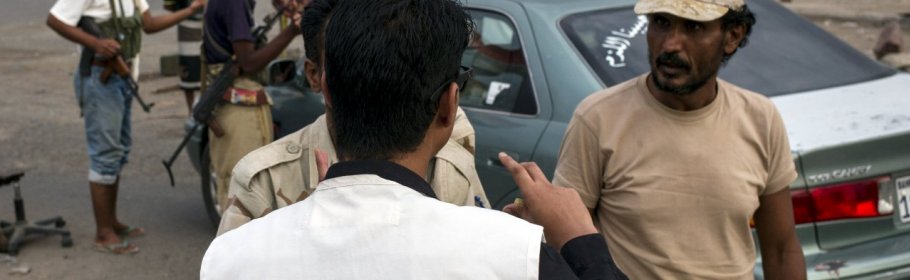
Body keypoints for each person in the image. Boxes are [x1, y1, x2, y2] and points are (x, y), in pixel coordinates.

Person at [201, 0, 626, 278]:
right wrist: (578, 241)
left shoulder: (228, 260)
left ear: (326, 87)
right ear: (449, 105)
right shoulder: (518, 255)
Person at [551, 0, 806, 278]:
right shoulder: (598, 119)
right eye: (661, 23)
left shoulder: (760, 118)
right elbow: (566, 241)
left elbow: (782, 248)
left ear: (733, 36)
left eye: (693, 27)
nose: (670, 45)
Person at [214, 0, 489, 236]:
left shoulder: (451, 156)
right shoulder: (265, 182)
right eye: (351, 63)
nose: (377, 75)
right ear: (318, 78)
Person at [45, 0, 205, 255]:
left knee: (118, 153)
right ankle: (103, 233)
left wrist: (190, 10)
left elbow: (149, 24)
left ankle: (112, 222)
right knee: (105, 155)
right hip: (100, 79)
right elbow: (55, 20)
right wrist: (96, 43)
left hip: (121, 79)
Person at [200, 0, 304, 213]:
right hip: (239, 115)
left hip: (234, 110)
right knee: (245, 199)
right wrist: (292, 31)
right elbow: (248, 62)